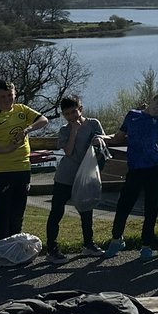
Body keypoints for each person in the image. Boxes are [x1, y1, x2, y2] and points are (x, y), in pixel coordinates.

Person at [0, 80, 49, 246]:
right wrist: (7, 149)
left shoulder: (22, 109)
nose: (7, 99)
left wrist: (27, 129)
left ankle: (14, 246)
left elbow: (44, 120)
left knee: (18, 211)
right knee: (2, 211)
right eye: (3, 96)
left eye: (10, 95)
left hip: (23, 168)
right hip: (2, 171)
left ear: (15, 95)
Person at [105, 91, 158, 259]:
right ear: (152, 100)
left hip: (154, 168)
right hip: (135, 168)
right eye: (157, 103)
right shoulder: (133, 115)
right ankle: (116, 239)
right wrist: (100, 138)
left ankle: (146, 245)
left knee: (151, 208)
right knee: (124, 205)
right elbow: (118, 138)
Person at [46, 95, 111, 261]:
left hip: (86, 174)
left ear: (80, 109)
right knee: (56, 211)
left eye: (74, 111)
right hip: (65, 176)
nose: (72, 116)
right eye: (67, 114)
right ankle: (52, 249)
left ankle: (89, 244)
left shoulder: (93, 123)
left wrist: (99, 138)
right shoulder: (64, 130)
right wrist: (74, 130)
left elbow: (103, 142)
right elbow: (68, 152)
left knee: (86, 210)